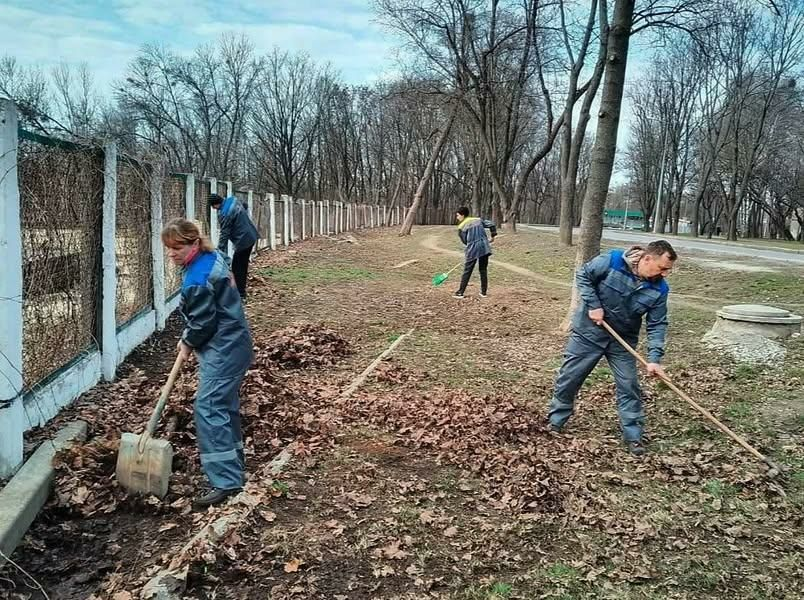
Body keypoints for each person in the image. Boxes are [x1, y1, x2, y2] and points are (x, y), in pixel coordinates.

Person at [546, 240, 678, 456]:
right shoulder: (613, 261)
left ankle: (633, 436)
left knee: (629, 385)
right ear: (646, 259)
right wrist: (594, 305)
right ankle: (556, 420)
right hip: (588, 334)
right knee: (570, 377)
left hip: (622, 341)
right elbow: (583, 276)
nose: (664, 274)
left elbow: (657, 324)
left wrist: (654, 358)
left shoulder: (659, 289)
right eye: (662, 268)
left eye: (668, 270)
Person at [162, 218, 254, 507]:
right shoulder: (212, 258)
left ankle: (227, 482)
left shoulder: (197, 280)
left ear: (194, 244)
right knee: (223, 405)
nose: (172, 254)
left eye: (177, 248)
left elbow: (202, 324)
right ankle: (233, 469)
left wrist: (188, 341)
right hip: (234, 343)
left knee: (209, 406)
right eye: (168, 249)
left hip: (224, 348)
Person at [208, 193, 259, 301]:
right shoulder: (233, 200)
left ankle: (240, 294)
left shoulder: (225, 214)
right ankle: (240, 292)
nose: (213, 209)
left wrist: (219, 252)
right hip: (251, 235)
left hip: (243, 241)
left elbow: (224, 234)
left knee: (237, 267)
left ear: (215, 204)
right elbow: (245, 205)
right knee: (242, 265)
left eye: (213, 206)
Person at [453, 206, 497, 298]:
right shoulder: (478, 220)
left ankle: (460, 292)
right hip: (485, 247)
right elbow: (491, 224)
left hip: (473, 249)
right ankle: (483, 292)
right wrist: (492, 236)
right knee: (483, 270)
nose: (457, 217)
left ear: (462, 215)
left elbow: (465, 241)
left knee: (467, 271)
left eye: (457, 215)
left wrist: (469, 249)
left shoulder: (461, 227)